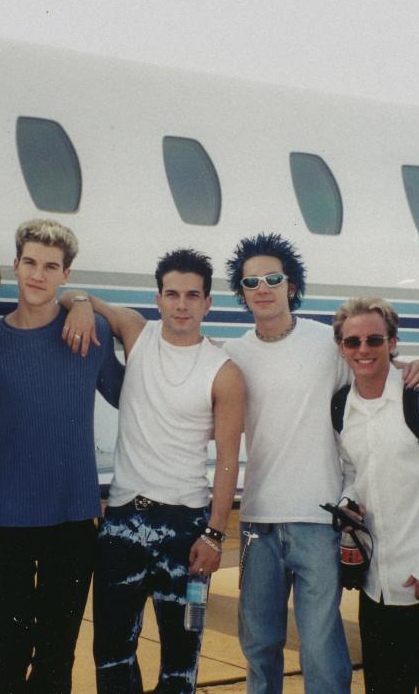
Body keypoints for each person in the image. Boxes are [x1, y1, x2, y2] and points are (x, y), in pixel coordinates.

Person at [221, 234, 419, 693]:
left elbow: (372, 367)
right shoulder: (233, 354)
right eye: (250, 280)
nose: (262, 287)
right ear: (241, 291)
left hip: (318, 521)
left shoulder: (324, 342)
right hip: (258, 522)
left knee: (319, 647)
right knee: (259, 645)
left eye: (273, 278)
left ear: (291, 285)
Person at [59, 248, 245, 693]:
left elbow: (226, 462)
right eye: (172, 294)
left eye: (192, 295)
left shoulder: (224, 372)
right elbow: (70, 295)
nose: (181, 304)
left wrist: (215, 533)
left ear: (207, 303)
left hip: (186, 529)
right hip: (123, 521)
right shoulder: (137, 333)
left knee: (180, 663)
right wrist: (84, 305)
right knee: (111, 654)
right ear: (158, 298)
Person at [0, 219, 124, 693]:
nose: (38, 275)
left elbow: (130, 396)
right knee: (5, 659)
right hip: (3, 520)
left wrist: (84, 305)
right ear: (15, 265)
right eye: (30, 263)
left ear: (66, 274)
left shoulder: (89, 332)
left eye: (51, 266)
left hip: (71, 520)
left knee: (57, 661)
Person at [331, 297, 419, 694]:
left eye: (374, 339)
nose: (363, 350)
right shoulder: (341, 409)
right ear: (341, 348)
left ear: (393, 342)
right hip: (375, 586)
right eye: (353, 342)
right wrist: (349, 501)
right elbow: (352, 471)